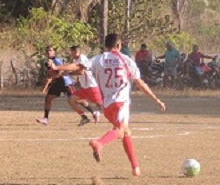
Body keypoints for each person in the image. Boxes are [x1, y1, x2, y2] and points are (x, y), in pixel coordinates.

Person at [49, 33, 165, 177]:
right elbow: (139, 83)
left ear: (105, 45)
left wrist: (58, 67)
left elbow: (78, 66)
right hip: (120, 103)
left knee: (125, 131)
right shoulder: (126, 60)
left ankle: (135, 168)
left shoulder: (98, 59)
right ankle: (99, 143)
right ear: (118, 46)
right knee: (121, 130)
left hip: (107, 106)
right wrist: (156, 99)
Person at [36, 45, 82, 125]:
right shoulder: (48, 62)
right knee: (48, 99)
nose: (48, 52)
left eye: (50, 50)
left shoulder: (56, 60)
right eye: (47, 51)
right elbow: (50, 75)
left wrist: (52, 78)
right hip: (57, 83)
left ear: (54, 52)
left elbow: (61, 71)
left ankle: (92, 112)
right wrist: (45, 86)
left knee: (76, 100)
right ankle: (45, 119)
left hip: (65, 82)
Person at [67, 45, 102, 126]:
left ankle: (118, 115)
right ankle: (84, 117)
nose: (71, 54)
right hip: (84, 87)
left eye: (72, 53)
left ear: (76, 52)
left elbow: (81, 72)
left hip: (91, 86)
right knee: (71, 100)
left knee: (101, 105)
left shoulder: (82, 58)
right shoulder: (75, 59)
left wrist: (68, 73)